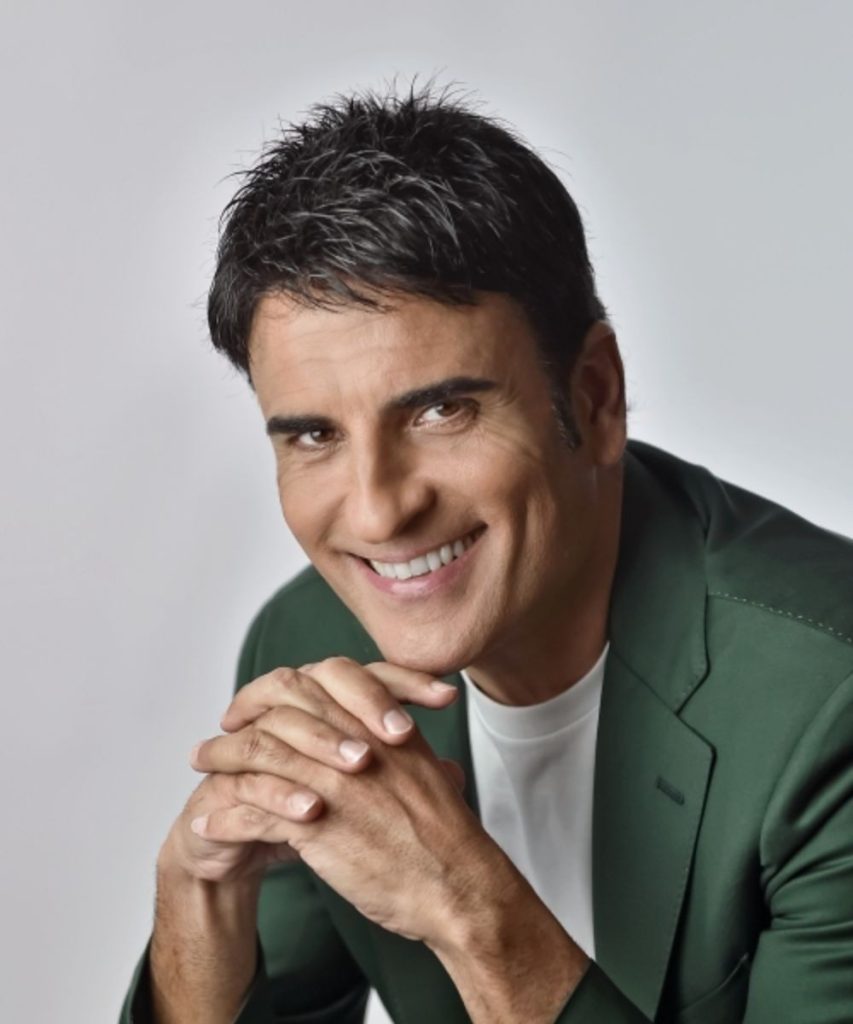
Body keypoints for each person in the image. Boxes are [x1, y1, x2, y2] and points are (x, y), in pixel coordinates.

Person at [119, 86, 853, 1024]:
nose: (378, 512)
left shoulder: (827, 703)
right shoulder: (310, 645)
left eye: (440, 410)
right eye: (313, 436)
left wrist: (467, 909)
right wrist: (196, 905)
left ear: (593, 397)